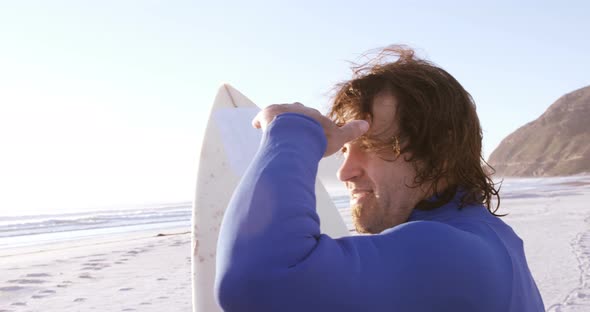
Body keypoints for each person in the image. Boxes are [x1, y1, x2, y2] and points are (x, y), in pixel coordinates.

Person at [214, 45, 545, 311]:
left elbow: (256, 280)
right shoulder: (493, 238)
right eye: (344, 149)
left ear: (442, 150)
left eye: (372, 145)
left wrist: (292, 133)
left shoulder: (446, 251)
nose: (345, 171)